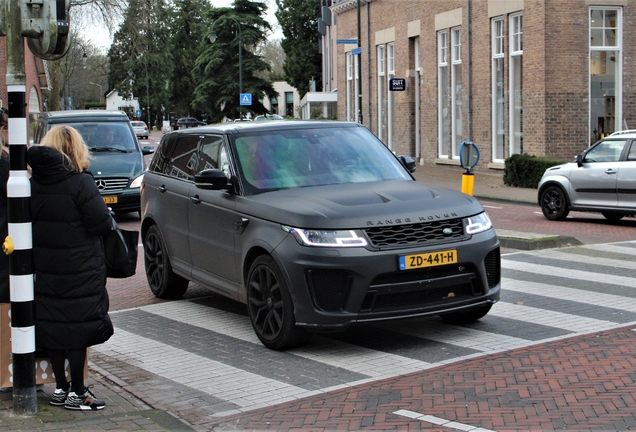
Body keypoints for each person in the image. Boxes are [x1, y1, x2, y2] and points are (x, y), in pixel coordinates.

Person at [27, 125, 114, 411]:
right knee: (78, 327)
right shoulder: (80, 182)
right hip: (80, 268)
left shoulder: (33, 184)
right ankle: (78, 392)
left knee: (54, 325)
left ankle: (60, 388)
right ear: (76, 149)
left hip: (47, 267)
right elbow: (101, 223)